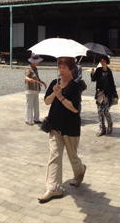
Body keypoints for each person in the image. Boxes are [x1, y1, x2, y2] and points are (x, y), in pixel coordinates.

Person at [40, 57, 87, 203]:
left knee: (73, 157)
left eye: (63, 67)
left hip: (70, 127)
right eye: (59, 67)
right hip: (55, 126)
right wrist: (55, 93)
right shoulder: (55, 83)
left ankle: (80, 172)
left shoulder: (75, 86)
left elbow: (74, 109)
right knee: (54, 155)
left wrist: (60, 96)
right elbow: (47, 101)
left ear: (71, 69)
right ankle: (54, 188)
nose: (60, 70)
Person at [91, 56, 118, 136]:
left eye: (104, 61)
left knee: (105, 111)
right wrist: (92, 73)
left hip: (107, 94)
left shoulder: (109, 71)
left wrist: (115, 94)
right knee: (99, 111)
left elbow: (112, 84)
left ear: (106, 62)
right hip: (99, 93)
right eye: (101, 61)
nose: (102, 62)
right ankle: (102, 128)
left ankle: (110, 123)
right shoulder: (98, 70)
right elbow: (93, 79)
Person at [24, 55, 46, 126]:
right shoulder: (28, 68)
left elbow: (37, 79)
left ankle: (36, 119)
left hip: (36, 89)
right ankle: (28, 120)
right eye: (36, 62)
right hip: (30, 89)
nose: (37, 63)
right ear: (33, 62)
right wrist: (30, 79)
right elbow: (26, 77)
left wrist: (42, 82)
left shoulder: (35, 68)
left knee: (36, 105)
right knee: (29, 105)